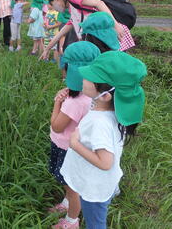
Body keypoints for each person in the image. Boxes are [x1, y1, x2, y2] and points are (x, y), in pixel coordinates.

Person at [60, 51, 147, 229]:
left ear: (106, 95)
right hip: (97, 181)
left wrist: (75, 144)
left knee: (96, 224)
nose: (83, 75)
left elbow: (105, 162)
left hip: (95, 189)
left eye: (90, 76)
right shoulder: (111, 110)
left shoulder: (100, 122)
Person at [49, 42, 100, 229]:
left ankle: (71, 221)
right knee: (69, 183)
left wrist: (57, 102)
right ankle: (67, 202)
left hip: (65, 149)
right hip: (78, 148)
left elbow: (56, 127)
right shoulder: (94, 97)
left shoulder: (73, 103)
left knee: (72, 187)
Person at [40, 0, 135, 60]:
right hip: (102, 39)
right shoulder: (72, 11)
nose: (56, 9)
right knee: (110, 66)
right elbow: (61, 33)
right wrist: (47, 49)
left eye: (53, 4)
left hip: (111, 32)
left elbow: (99, 3)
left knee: (117, 64)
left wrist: (116, 25)